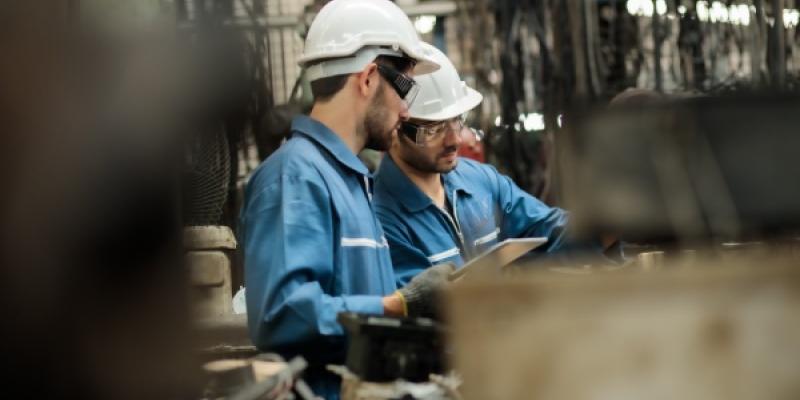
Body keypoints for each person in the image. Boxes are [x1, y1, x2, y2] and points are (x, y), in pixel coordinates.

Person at [239, 1, 453, 398]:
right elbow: (284, 314)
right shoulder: (295, 178)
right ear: (369, 77)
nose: (407, 111)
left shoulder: (354, 180)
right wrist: (400, 304)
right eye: (404, 88)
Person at [373, 44, 610, 286]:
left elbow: (550, 232)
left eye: (456, 120)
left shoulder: (479, 181)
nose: (455, 139)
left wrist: (613, 223)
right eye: (433, 130)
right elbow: (418, 306)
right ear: (395, 126)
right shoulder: (380, 218)